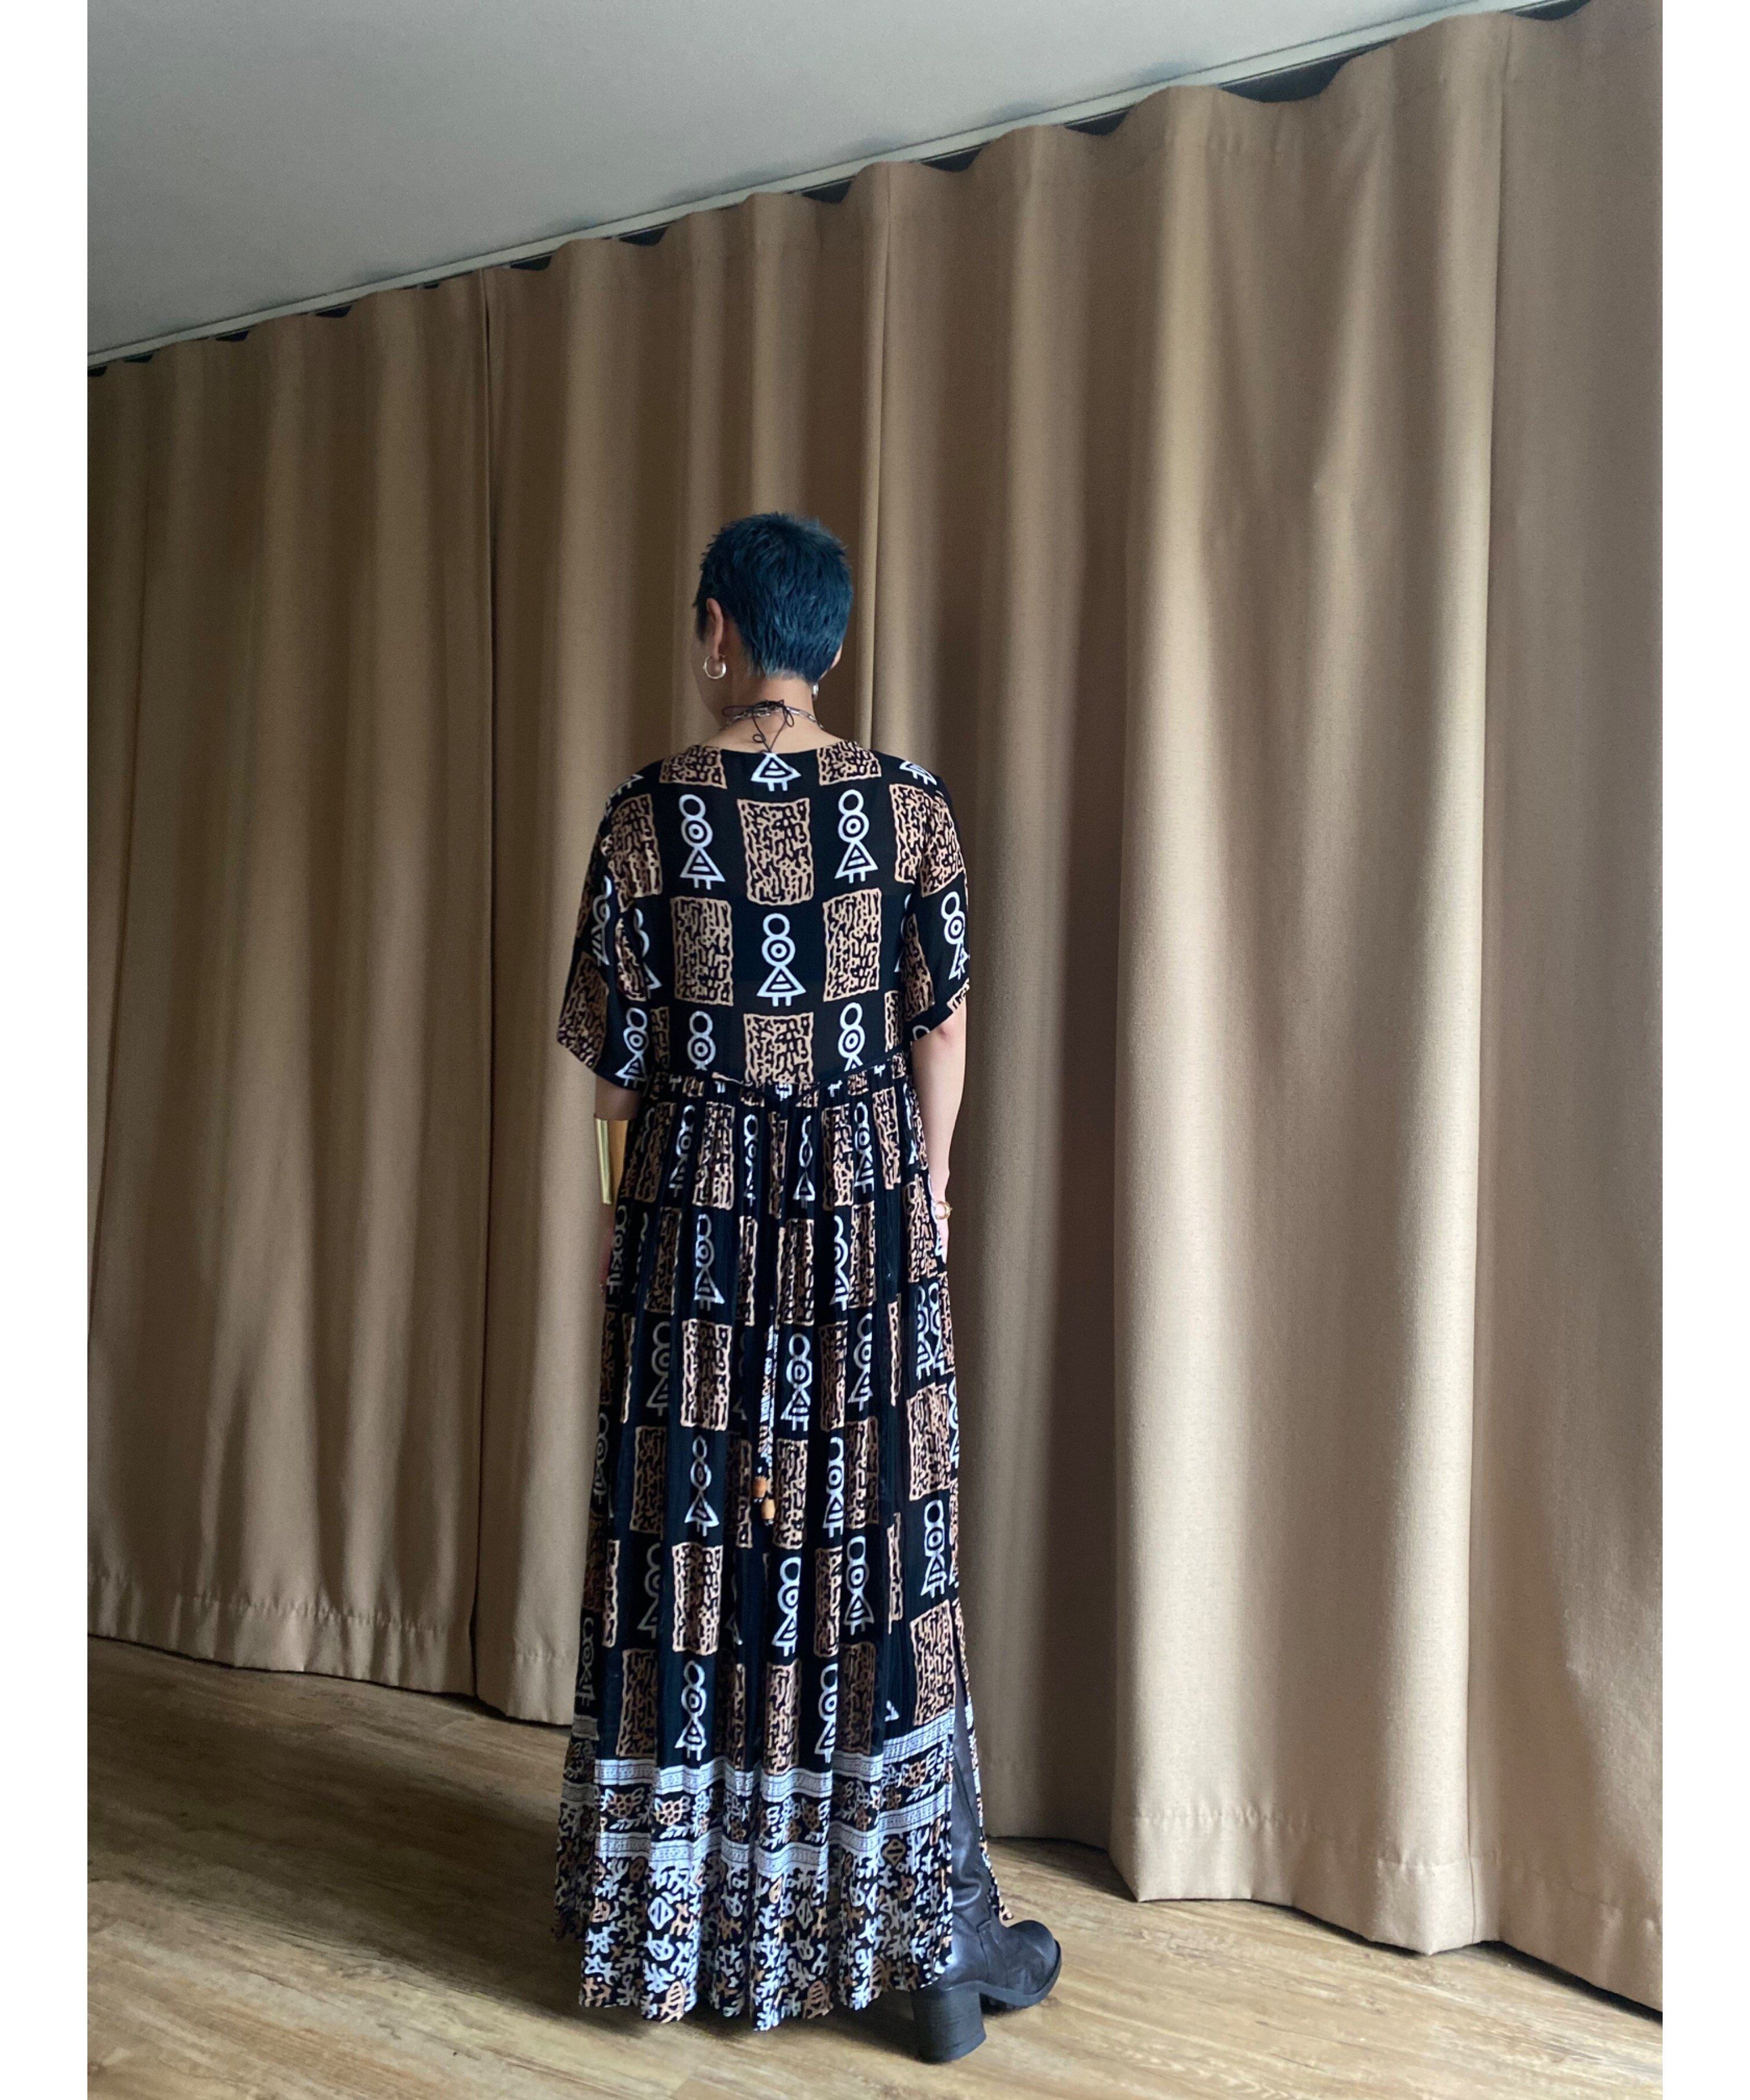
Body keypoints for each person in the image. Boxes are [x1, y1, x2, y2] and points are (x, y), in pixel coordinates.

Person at [552, 511, 1060, 2062]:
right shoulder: (910, 808)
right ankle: (927, 1951)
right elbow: (943, 1024)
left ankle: (676, 1937)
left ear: (719, 628)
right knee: (873, 1539)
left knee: (695, 1536)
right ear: (828, 642)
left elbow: (614, 1070)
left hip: (695, 1217)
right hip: (862, 1213)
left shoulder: (645, 815)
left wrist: (623, 1212)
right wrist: (933, 1185)